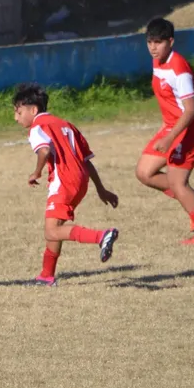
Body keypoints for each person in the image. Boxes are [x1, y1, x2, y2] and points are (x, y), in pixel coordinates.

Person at [13, 82, 120, 286]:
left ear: (33, 110)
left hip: (64, 180)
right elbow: (86, 160)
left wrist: (36, 172)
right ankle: (46, 276)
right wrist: (101, 189)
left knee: (51, 231)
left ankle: (101, 236)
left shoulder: (38, 126)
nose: (16, 118)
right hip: (80, 180)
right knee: (54, 228)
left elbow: (44, 150)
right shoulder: (66, 124)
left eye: (18, 112)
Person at [135, 17, 194, 245]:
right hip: (172, 126)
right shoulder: (157, 61)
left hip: (189, 128)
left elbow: (191, 110)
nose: (153, 47)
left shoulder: (179, 69)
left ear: (170, 42)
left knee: (177, 183)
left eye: (158, 42)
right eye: (149, 42)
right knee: (144, 172)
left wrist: (171, 137)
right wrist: (166, 127)